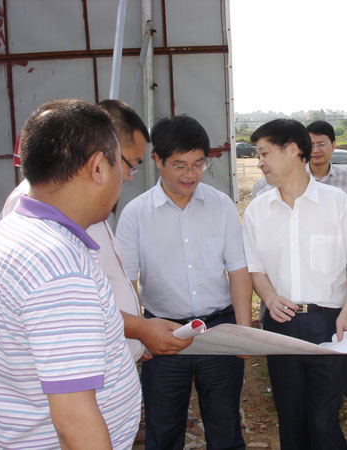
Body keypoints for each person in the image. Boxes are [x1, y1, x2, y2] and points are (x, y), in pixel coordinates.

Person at [0, 99, 142, 448]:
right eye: (120, 164)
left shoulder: (8, 232)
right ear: (98, 167)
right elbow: (74, 422)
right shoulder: (58, 265)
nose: (123, 177)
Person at [0, 99, 190, 363]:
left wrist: (136, 338)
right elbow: (67, 310)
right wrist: (141, 329)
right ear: (101, 155)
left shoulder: (84, 208)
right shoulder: (38, 212)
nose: (129, 175)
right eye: (129, 163)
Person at [116, 115, 252, 449]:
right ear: (157, 160)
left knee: (225, 428)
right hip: (163, 334)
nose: (190, 174)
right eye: (179, 165)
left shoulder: (220, 205)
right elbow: (125, 281)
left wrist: (244, 332)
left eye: (198, 164)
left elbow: (238, 270)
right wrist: (139, 336)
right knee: (163, 430)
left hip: (218, 331)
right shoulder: (136, 213)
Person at [242, 119, 347, 449]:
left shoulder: (337, 203)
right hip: (280, 325)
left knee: (323, 419)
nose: (259, 162)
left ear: (292, 151)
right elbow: (255, 268)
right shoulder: (257, 210)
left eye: (264, 153)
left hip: (328, 324)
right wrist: (269, 297)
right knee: (291, 418)